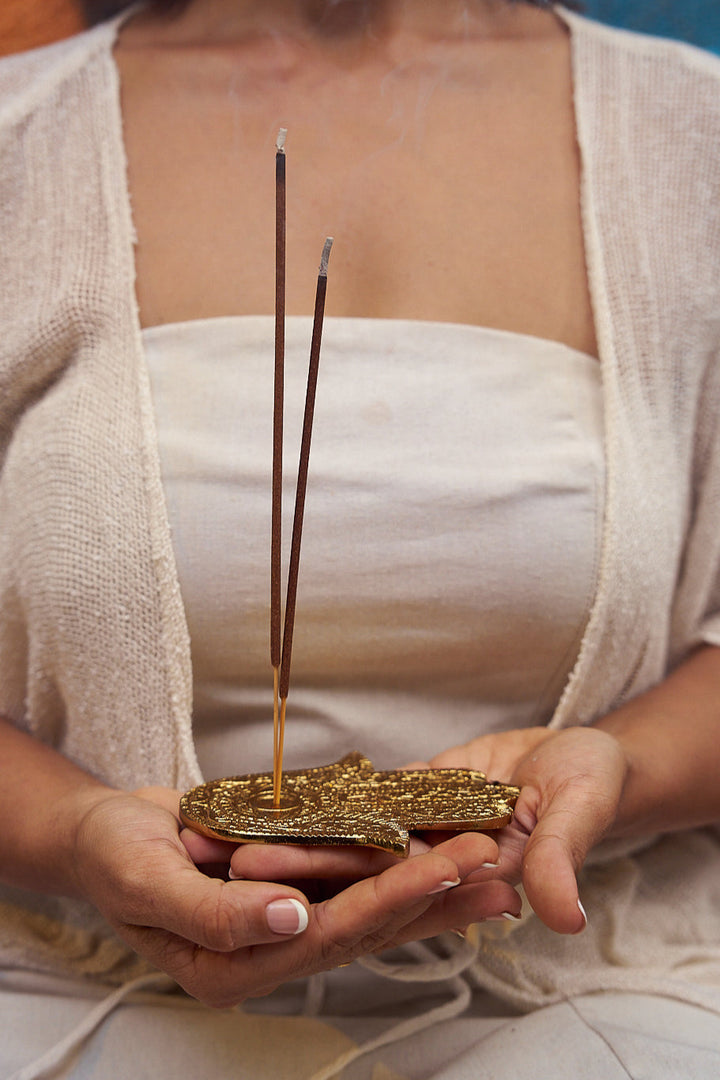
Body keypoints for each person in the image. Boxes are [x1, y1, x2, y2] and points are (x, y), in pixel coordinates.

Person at [1, 0, 720, 1076]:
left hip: (603, 980)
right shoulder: (20, 134)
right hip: (68, 980)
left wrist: (629, 769)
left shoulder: (695, 135)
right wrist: (68, 835)